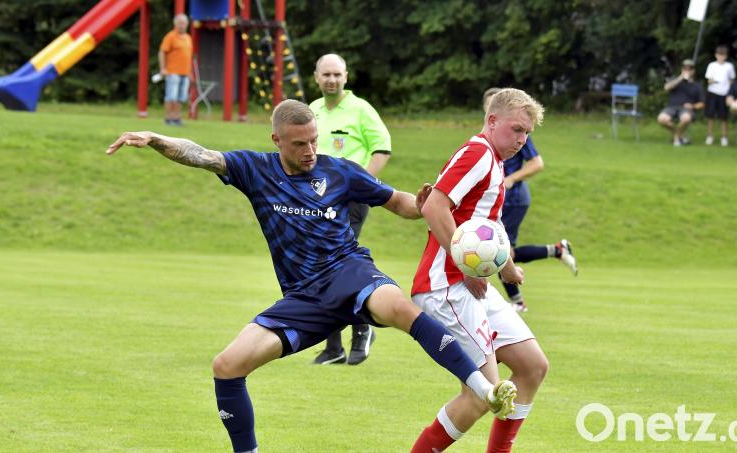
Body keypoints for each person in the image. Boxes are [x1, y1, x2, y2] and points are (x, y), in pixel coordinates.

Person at [105, 99, 518, 453]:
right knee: (227, 365)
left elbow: (400, 203)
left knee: (399, 309)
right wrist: (158, 140)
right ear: (277, 141)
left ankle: (484, 390)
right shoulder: (255, 169)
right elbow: (201, 154)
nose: (309, 150)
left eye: (314, 141)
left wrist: (420, 201)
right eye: (299, 143)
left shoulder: (340, 171)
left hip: (350, 270)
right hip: (304, 297)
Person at [410, 88, 549, 453]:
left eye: (527, 134)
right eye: (516, 129)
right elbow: (434, 206)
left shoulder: (495, 162)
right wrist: (463, 263)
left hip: (471, 287)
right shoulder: (477, 154)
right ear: (491, 121)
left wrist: (507, 270)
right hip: (446, 287)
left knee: (532, 367)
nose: (522, 139)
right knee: (481, 395)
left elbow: (489, 233)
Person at [309, 53, 392, 366]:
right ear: (316, 77)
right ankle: (332, 346)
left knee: (339, 261)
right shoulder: (313, 110)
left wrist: (364, 183)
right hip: (316, 198)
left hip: (350, 198)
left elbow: (382, 147)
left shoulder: (360, 109)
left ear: (346, 76)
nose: (331, 79)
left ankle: (362, 330)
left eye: (337, 74)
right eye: (326, 74)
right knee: (319, 263)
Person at [482, 87, 577, 313]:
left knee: (499, 250)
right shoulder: (489, 140)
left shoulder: (517, 131)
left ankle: (518, 302)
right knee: (504, 251)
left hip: (513, 198)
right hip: (504, 199)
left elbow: (537, 163)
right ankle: (556, 251)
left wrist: (511, 179)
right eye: (486, 107)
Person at [657, 59, 704, 146]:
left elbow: (702, 104)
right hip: (671, 107)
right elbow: (666, 87)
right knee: (661, 119)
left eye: (690, 69)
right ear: (682, 70)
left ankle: (676, 138)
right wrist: (681, 78)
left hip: (686, 109)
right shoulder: (676, 80)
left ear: (693, 71)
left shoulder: (697, 86)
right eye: (685, 69)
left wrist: (693, 106)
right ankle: (679, 136)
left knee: (685, 118)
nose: (687, 71)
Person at [158, 14, 193, 126]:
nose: (182, 25)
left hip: (185, 73)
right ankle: (168, 118)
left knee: (181, 97)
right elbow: (162, 52)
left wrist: (190, 72)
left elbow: (189, 56)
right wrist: (163, 68)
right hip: (172, 72)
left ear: (187, 24)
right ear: (175, 24)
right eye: (180, 23)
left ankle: (177, 118)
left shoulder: (188, 38)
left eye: (184, 23)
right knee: (171, 96)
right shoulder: (170, 36)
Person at [704, 46, 736, 147]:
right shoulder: (712, 65)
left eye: (723, 55)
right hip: (713, 93)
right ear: (716, 55)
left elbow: (731, 80)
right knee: (711, 116)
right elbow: (708, 80)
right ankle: (710, 136)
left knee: (723, 117)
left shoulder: (729, 66)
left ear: (726, 56)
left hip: (724, 94)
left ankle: (724, 137)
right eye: (719, 55)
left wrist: (729, 91)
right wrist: (714, 81)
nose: (721, 57)